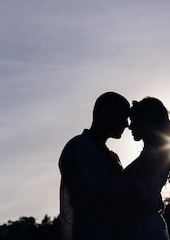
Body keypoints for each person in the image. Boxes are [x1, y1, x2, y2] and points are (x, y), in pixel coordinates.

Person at [58, 91, 130, 240]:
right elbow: (84, 196)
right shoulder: (77, 147)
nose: (127, 124)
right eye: (123, 117)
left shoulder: (113, 157)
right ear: (106, 113)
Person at [121, 97, 170, 240]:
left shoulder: (150, 156)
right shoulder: (159, 154)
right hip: (151, 223)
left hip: (144, 226)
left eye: (134, 121)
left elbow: (122, 181)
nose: (130, 127)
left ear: (146, 122)